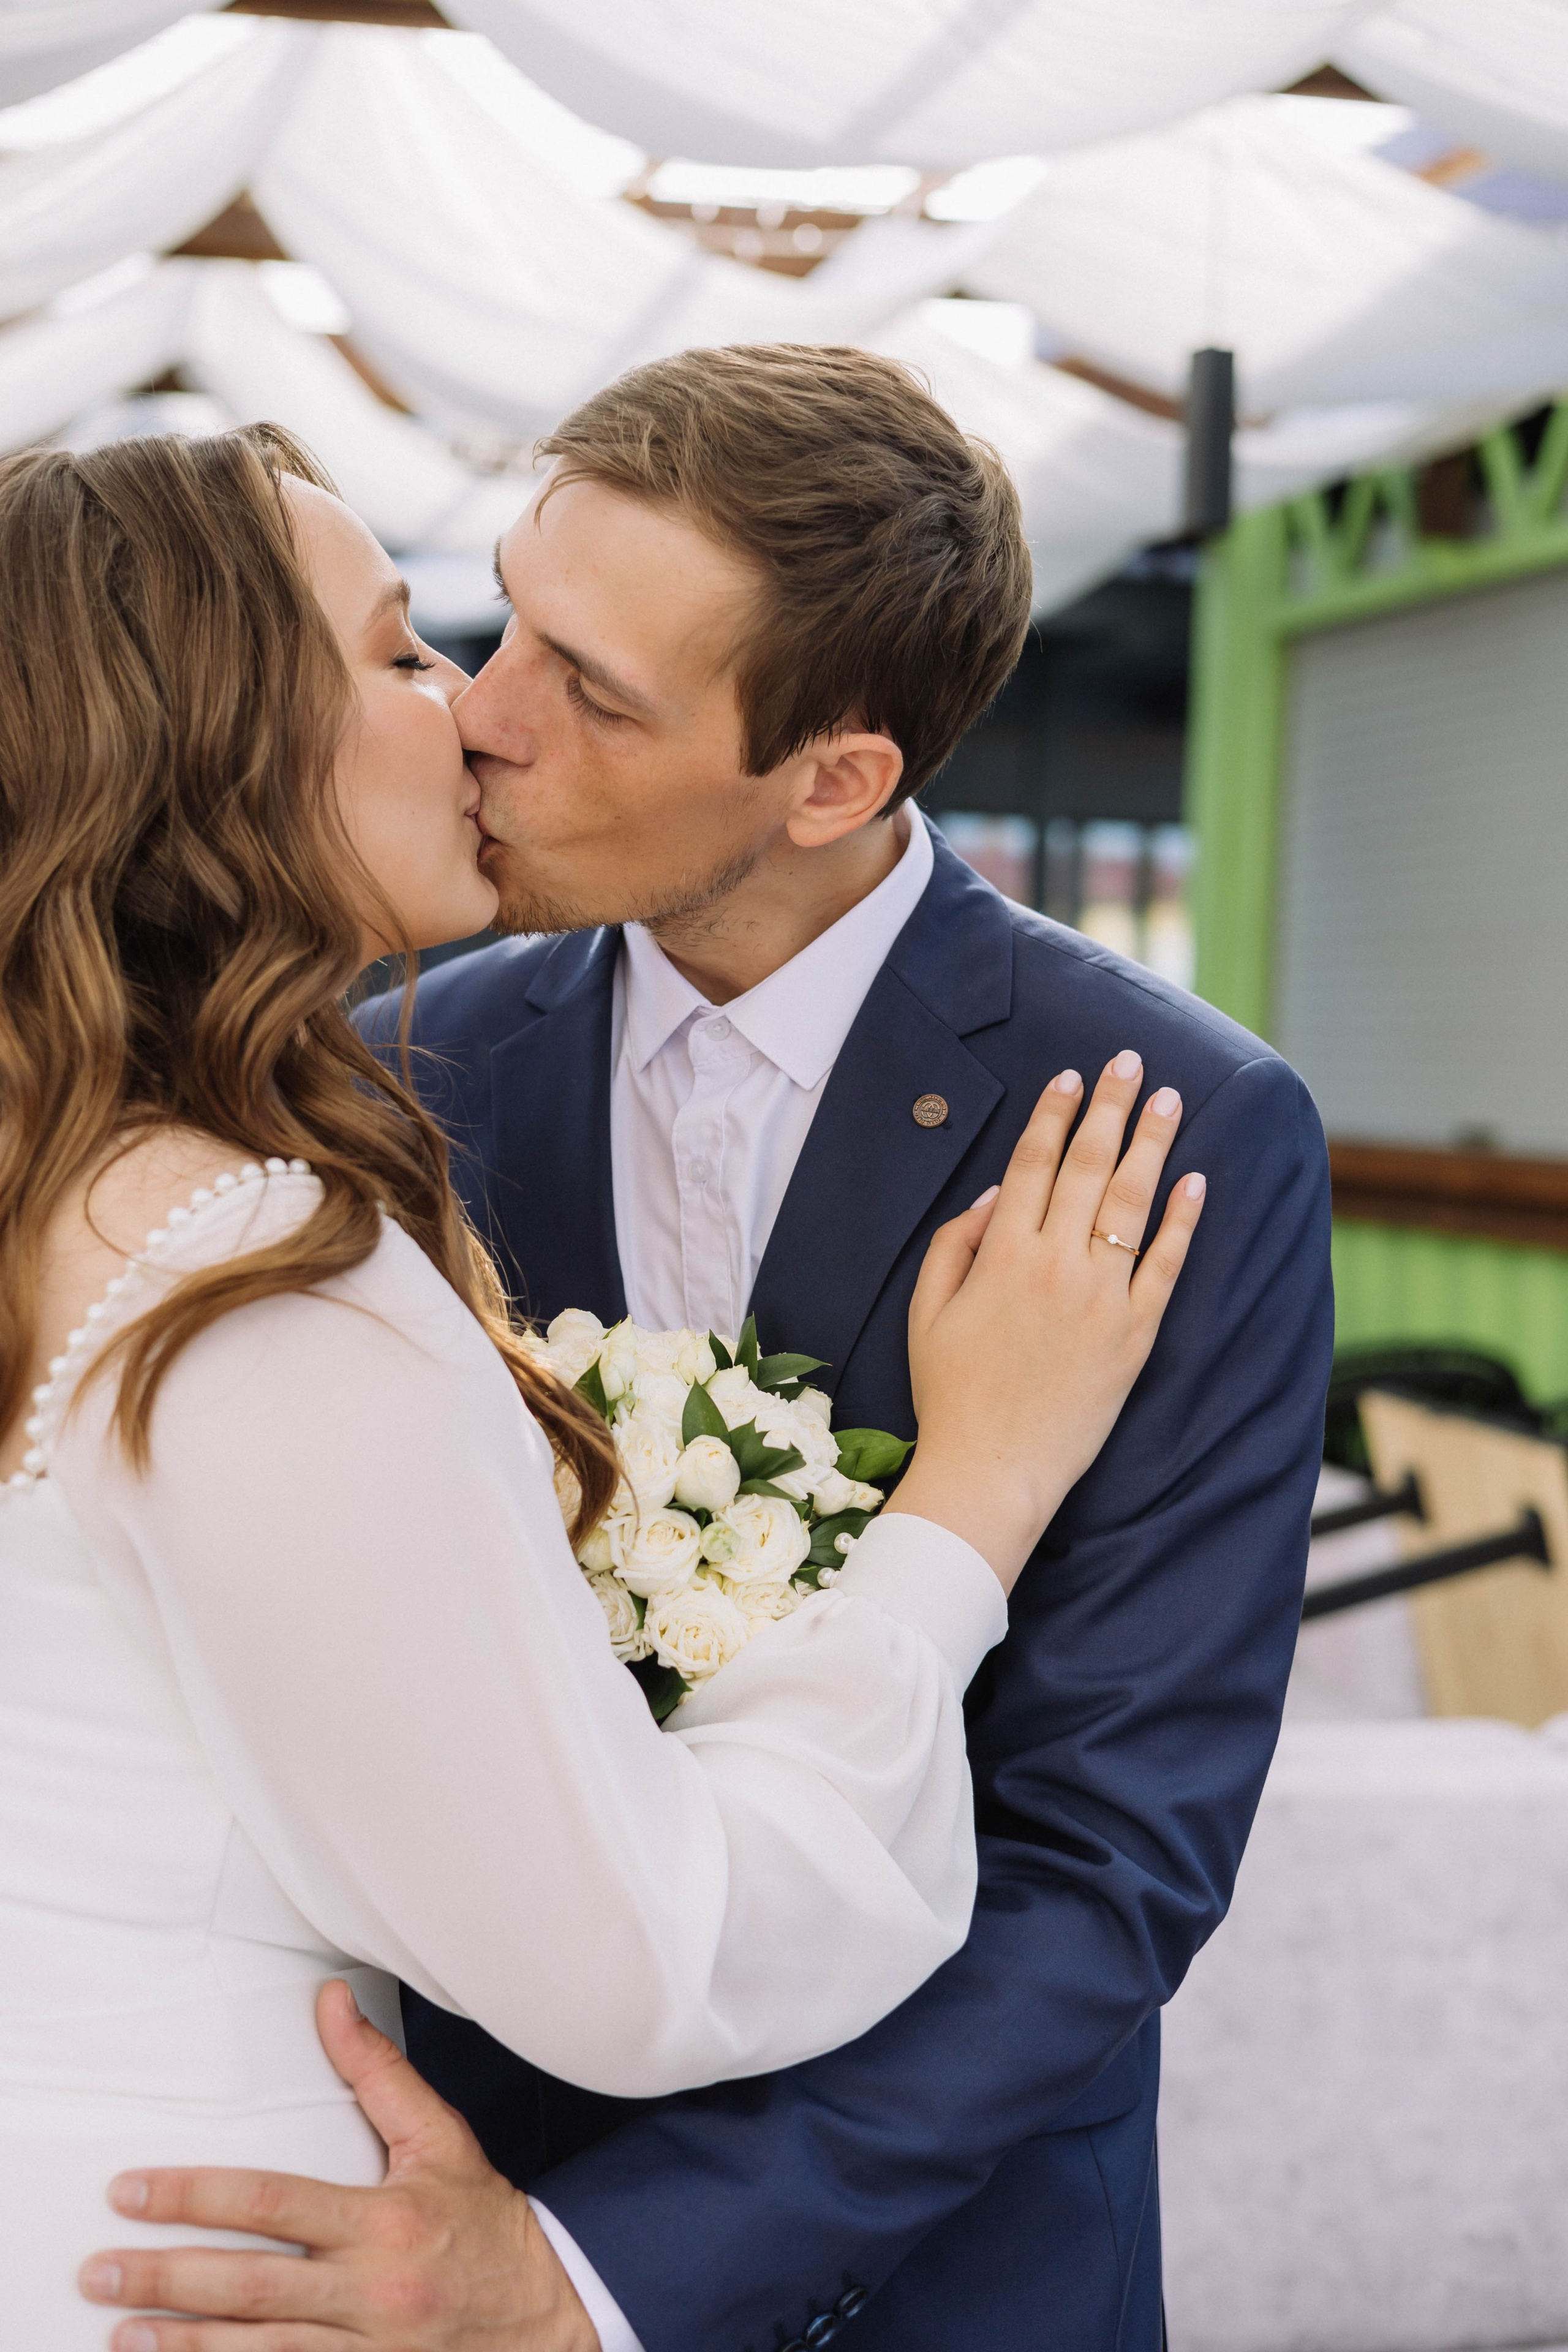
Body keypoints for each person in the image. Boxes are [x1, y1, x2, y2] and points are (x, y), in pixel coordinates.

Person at [86, 349, 1333, 2352]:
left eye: (595, 689)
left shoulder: (1161, 1127)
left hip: (935, 2277)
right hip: (438, 2215)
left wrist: (606, 2280)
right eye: (503, 619)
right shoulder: (384, 1062)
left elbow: (1106, 1856)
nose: (482, 717)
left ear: (835, 777)